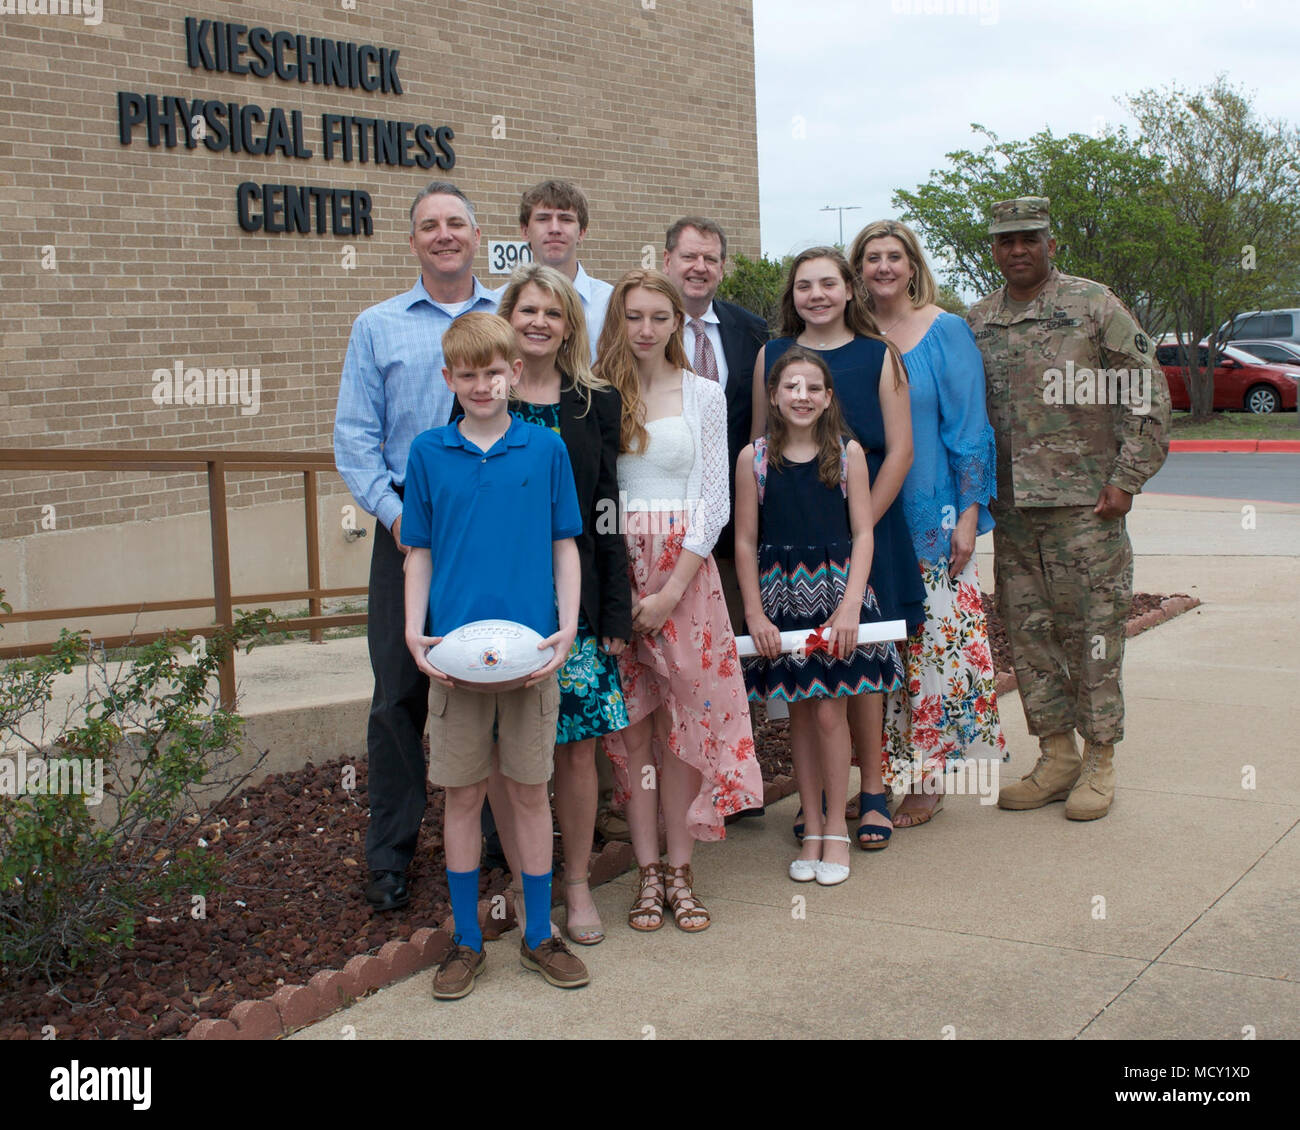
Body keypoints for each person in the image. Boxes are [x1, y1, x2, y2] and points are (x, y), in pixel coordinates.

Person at [403, 312, 590, 999]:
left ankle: (540, 933)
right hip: (455, 657)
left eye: (494, 372)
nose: (481, 385)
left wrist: (566, 627)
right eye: (467, 374)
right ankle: (465, 939)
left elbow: (564, 544)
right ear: (448, 379)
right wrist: (412, 630)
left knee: (528, 792)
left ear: (515, 372)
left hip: (530, 656)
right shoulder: (428, 452)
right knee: (461, 795)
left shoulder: (544, 451)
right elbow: (417, 551)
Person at [966, 196, 1171, 821]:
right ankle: (1057, 755)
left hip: (1088, 508)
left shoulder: (1092, 305)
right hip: (1015, 512)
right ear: (994, 250)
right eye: (1006, 241)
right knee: (1030, 639)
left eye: (1029, 238)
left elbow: (1147, 390)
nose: (1018, 250)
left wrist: (1127, 478)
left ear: (1050, 243)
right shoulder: (977, 322)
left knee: (1094, 636)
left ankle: (1100, 757)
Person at [449, 264, 632, 946]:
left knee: (576, 753)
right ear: (509, 315)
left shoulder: (594, 403)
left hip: (572, 606)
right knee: (502, 753)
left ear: (568, 325)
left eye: (552, 313)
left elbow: (607, 511)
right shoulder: (479, 394)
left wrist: (614, 612)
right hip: (491, 607)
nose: (538, 323)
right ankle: (532, 890)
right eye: (527, 309)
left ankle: (578, 886)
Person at [334, 181, 499, 913]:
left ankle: (500, 847)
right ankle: (391, 855)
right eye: (429, 226)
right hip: (405, 529)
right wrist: (397, 516)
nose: (443, 235)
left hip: (496, 532)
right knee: (399, 691)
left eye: (455, 223)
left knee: (500, 675)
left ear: (475, 235)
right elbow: (355, 438)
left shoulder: (511, 314)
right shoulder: (376, 326)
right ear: (412, 242)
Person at [595, 269, 763, 933]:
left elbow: (715, 500)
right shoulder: (600, 395)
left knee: (682, 728)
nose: (644, 329)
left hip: (685, 576)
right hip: (618, 569)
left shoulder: (704, 393)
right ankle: (647, 873)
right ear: (619, 320)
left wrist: (668, 591)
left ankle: (684, 871)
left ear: (677, 323)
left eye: (657, 318)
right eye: (632, 316)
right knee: (634, 733)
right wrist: (625, 592)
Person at [753, 247, 923, 850]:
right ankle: (818, 800)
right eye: (805, 285)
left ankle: (871, 792)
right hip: (796, 540)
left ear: (849, 289)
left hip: (865, 524)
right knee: (809, 680)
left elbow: (900, 449)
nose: (817, 294)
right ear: (792, 294)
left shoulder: (881, 355)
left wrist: (855, 535)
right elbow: (762, 448)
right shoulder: (771, 356)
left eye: (829, 283)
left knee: (863, 664)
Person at [850, 219, 1007, 827]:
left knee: (933, 650)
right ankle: (879, 780)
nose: (883, 267)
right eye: (871, 258)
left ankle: (931, 774)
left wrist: (968, 516)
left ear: (913, 266)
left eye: (894, 256)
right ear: (858, 270)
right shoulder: (854, 334)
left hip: (935, 518)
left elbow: (970, 432)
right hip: (869, 520)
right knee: (879, 652)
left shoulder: (947, 333)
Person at [736, 347, 903, 885]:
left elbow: (862, 531)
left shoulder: (846, 451)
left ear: (828, 397)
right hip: (780, 598)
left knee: (831, 712)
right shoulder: (754, 459)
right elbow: (743, 542)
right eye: (791, 387)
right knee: (801, 719)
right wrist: (755, 614)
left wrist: (852, 602)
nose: (801, 396)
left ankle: (835, 827)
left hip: (836, 595)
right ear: (774, 395)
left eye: (813, 388)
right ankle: (808, 827)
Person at [661, 217, 769, 631]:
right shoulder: (644, 329)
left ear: (722, 267)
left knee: (730, 632)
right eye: (689, 256)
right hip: (665, 512)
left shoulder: (751, 331)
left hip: (733, 517)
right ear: (668, 260)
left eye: (710, 258)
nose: (699, 267)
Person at [514, 179, 613, 360]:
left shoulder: (612, 304)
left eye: (566, 219)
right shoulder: (501, 305)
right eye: (543, 219)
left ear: (581, 232)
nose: (554, 229)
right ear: (525, 231)